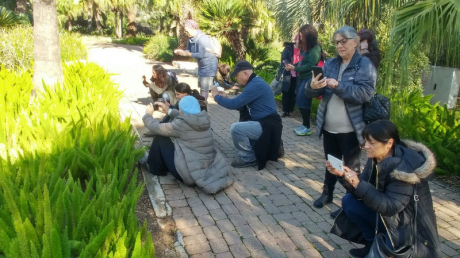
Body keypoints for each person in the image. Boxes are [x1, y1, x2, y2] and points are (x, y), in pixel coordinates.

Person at [329, 121, 441, 258]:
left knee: (389, 250)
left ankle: (383, 248)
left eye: (371, 143)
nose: (366, 146)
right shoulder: (377, 157)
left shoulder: (403, 168)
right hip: (387, 214)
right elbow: (363, 187)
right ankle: (371, 244)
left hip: (405, 228)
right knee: (349, 201)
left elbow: (391, 207)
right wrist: (344, 176)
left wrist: (359, 184)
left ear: (389, 143)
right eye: (365, 141)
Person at [305, 26, 377, 217]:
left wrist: (340, 86)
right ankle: (327, 194)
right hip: (329, 127)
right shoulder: (330, 64)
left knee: (351, 169)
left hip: (351, 130)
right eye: (337, 42)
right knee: (332, 163)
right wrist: (312, 87)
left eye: (343, 41)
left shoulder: (365, 65)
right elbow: (315, 90)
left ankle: (350, 204)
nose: (340, 45)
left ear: (355, 41)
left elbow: (365, 93)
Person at [142, 96, 233, 194]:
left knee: (161, 138)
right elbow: (186, 118)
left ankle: (153, 167)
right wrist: (168, 110)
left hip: (188, 174)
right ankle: (158, 163)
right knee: (169, 140)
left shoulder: (181, 125)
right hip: (205, 166)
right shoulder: (203, 119)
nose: (179, 109)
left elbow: (156, 127)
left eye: (180, 108)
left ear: (182, 109)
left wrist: (148, 115)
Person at [210, 60, 282, 170]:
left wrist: (216, 96)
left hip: (268, 125)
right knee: (252, 142)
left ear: (245, 73)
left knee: (237, 128)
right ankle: (275, 145)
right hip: (266, 123)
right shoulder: (255, 82)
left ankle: (248, 158)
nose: (236, 79)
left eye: (237, 75)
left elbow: (234, 104)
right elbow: (241, 105)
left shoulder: (255, 85)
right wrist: (225, 98)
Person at [285, 25, 322, 136]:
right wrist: (292, 66)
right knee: (300, 101)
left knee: (303, 101)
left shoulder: (315, 48)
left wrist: (295, 68)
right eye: (300, 36)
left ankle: (307, 126)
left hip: (309, 78)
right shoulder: (305, 48)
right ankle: (304, 124)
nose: (300, 38)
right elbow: (301, 63)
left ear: (309, 36)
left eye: (302, 36)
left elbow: (310, 65)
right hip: (301, 77)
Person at [173, 19, 218, 100]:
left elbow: (201, 54)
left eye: (187, 31)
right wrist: (181, 51)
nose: (186, 33)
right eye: (185, 31)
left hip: (209, 65)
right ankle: (202, 104)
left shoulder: (202, 38)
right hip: (201, 65)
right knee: (202, 86)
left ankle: (203, 106)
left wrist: (188, 54)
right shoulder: (190, 39)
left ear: (193, 28)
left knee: (204, 89)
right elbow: (188, 50)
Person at [278, 34, 300, 118]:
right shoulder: (288, 48)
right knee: (286, 91)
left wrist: (296, 68)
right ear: (295, 39)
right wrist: (289, 66)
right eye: (298, 39)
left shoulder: (303, 50)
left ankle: (291, 111)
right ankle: (284, 110)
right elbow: (284, 59)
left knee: (293, 92)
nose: (299, 41)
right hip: (288, 72)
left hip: (297, 73)